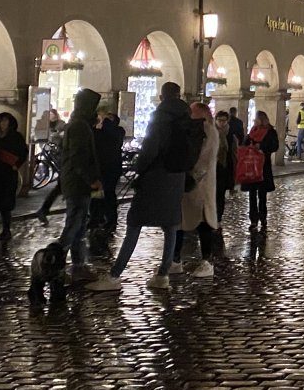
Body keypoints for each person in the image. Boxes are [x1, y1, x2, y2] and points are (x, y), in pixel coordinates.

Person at [90, 82, 190, 292]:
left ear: (162, 96)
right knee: (171, 225)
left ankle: (115, 274)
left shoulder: (160, 116)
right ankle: (163, 275)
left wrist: (140, 168)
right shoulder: (186, 116)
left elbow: (150, 148)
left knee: (135, 222)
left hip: (156, 175)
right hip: (177, 175)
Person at [56, 88, 102, 280]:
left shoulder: (78, 124)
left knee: (79, 225)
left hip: (75, 182)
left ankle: (78, 265)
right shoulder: (79, 127)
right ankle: (56, 261)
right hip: (77, 183)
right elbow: (78, 158)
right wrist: (90, 179)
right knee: (74, 225)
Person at [177, 105, 221, 279]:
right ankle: (174, 259)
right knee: (180, 221)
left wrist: (193, 176)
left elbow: (206, 158)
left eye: (193, 112)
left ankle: (207, 261)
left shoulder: (210, 131)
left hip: (201, 185)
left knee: (203, 222)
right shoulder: (191, 130)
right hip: (188, 184)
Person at [0, 112, 27, 240]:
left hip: (8, 172)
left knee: (5, 204)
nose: (4, 124)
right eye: (2, 121)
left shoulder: (16, 137)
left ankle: (6, 230)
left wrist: (17, 164)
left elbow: (23, 152)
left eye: (6, 121)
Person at [242, 110, 278, 232]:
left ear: (262, 119)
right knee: (252, 195)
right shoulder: (252, 131)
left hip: (263, 166)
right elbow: (244, 143)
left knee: (262, 195)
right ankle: (253, 220)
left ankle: (263, 217)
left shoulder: (270, 132)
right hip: (251, 166)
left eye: (256, 119)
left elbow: (275, 146)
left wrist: (262, 147)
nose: (254, 122)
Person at [93, 110, 126, 233]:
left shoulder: (113, 132)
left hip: (106, 168)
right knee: (100, 193)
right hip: (109, 168)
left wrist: (105, 121)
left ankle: (104, 218)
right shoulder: (117, 132)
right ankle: (100, 217)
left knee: (105, 193)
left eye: (108, 118)